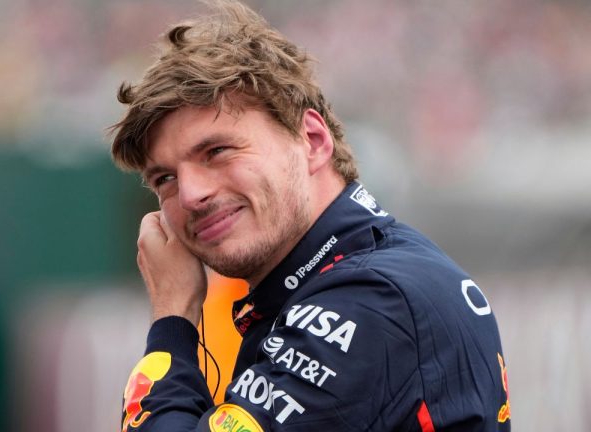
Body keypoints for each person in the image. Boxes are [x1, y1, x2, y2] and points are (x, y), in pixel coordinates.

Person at [110, 1, 510, 430]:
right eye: (165, 178)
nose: (191, 194)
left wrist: (172, 319)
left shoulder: (370, 299)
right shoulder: (335, 281)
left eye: (217, 151)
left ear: (314, 141)